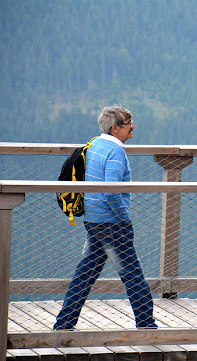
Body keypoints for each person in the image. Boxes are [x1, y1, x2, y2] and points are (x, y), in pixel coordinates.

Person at [54, 106, 157, 330]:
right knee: (133, 276)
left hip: (93, 221)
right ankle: (148, 327)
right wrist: (124, 217)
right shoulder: (116, 152)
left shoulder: (95, 144)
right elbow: (111, 190)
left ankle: (63, 325)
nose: (133, 126)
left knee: (84, 275)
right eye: (128, 122)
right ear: (115, 128)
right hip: (112, 224)